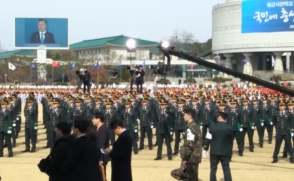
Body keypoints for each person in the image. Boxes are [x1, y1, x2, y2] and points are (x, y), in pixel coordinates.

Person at [171, 108, 202, 181]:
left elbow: (189, 145)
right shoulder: (195, 126)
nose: (183, 116)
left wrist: (185, 159)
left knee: (190, 178)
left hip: (190, 158)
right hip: (195, 157)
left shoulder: (190, 128)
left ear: (189, 116)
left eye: (184, 115)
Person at [209, 112, 233, 181]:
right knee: (226, 168)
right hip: (225, 151)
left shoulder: (212, 127)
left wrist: (205, 148)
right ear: (225, 119)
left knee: (213, 169)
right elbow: (230, 140)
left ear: (218, 118)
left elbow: (208, 138)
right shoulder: (229, 128)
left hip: (214, 151)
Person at [92, 112, 110, 177]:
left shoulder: (103, 129)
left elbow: (101, 145)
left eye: (94, 118)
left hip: (102, 157)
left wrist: (101, 158)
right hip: (97, 155)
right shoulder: (97, 129)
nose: (92, 120)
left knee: (102, 175)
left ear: (98, 119)